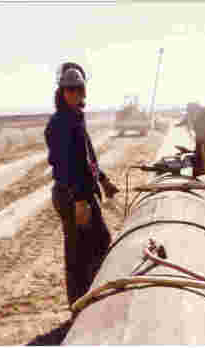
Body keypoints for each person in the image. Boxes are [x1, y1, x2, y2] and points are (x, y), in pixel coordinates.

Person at [44, 62, 119, 312]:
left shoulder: (76, 118)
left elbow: (88, 156)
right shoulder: (59, 124)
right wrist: (77, 201)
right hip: (72, 197)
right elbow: (63, 165)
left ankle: (91, 300)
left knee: (97, 243)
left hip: (84, 194)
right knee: (77, 254)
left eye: (77, 89)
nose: (74, 93)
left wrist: (104, 180)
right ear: (61, 92)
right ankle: (79, 307)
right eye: (69, 90)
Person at [186, 102, 205, 176]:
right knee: (199, 153)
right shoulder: (201, 110)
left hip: (203, 135)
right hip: (201, 135)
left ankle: (199, 172)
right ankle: (199, 171)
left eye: (190, 110)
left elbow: (198, 122)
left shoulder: (202, 111)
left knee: (200, 153)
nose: (190, 112)